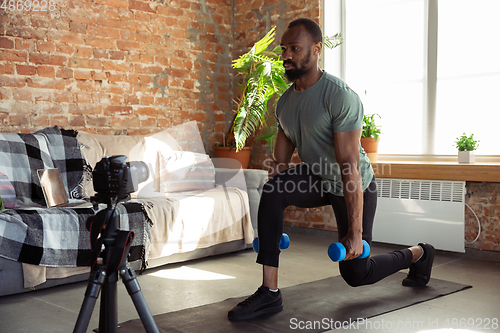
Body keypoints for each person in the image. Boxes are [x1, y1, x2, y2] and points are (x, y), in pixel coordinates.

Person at [227, 18, 435, 321]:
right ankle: (269, 292)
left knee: (356, 273)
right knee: (273, 189)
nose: (286, 55)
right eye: (284, 49)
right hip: (318, 176)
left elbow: (349, 166)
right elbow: (280, 166)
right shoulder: (284, 104)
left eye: (295, 48)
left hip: (354, 185)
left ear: (316, 49)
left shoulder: (339, 95)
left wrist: (355, 232)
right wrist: (272, 222)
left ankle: (420, 253)